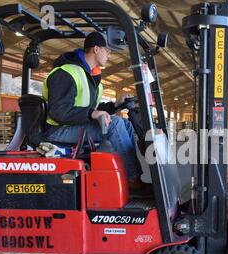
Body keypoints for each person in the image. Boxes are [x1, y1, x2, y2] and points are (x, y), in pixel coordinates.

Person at [42, 32, 151, 198]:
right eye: (107, 51)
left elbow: (93, 108)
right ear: (96, 49)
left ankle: (130, 173)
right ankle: (132, 179)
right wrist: (92, 113)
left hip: (74, 125)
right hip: (58, 129)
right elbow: (59, 111)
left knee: (125, 123)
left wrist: (115, 105)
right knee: (114, 124)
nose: (109, 55)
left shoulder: (92, 77)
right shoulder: (66, 73)